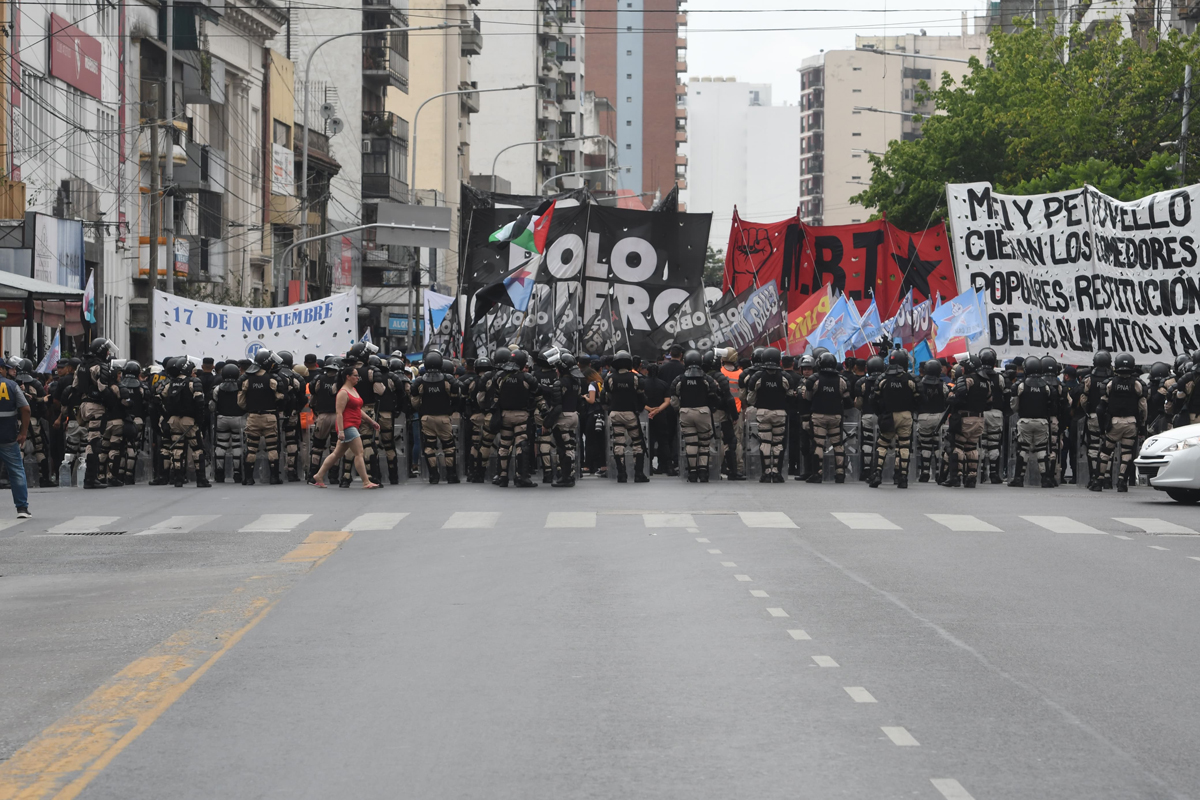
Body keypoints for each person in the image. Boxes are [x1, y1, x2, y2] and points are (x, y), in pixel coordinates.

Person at [310, 366, 381, 489]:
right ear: (348, 377)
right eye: (355, 375)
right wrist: (341, 431)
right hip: (348, 426)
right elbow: (339, 413)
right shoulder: (343, 392)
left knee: (337, 454)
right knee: (359, 452)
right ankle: (366, 481)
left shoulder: (353, 390)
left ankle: (319, 475)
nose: (358, 378)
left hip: (353, 424)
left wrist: (371, 421)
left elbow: (358, 410)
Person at [1092, 353, 1147, 493]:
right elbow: (1143, 407)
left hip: (1114, 423)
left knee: (1105, 452)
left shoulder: (1110, 384)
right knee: (1127, 453)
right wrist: (1142, 425)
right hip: (1131, 423)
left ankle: (1099, 481)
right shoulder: (1137, 384)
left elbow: (1101, 406)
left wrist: (1102, 426)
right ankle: (1122, 481)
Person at [744, 347, 798, 483]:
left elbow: (750, 399)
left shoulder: (757, 377)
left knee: (765, 442)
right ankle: (776, 472)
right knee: (778, 443)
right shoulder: (786, 377)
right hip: (780, 413)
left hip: (763, 412)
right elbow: (791, 396)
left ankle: (766, 472)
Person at [409, 350, 461, 484]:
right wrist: (452, 408)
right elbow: (455, 396)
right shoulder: (447, 380)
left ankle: (433, 475)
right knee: (449, 447)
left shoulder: (420, 381)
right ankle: (451, 475)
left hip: (426, 418)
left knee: (429, 447)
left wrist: (421, 409)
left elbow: (414, 402)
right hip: (443, 417)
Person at [870, 350, 919, 489]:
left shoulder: (883, 379)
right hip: (905, 415)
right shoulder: (910, 379)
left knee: (882, 444)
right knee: (904, 445)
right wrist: (911, 410)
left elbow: (874, 398)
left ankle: (877, 474)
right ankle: (903, 477)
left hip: (888, 415)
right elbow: (920, 397)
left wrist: (880, 413)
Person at [804, 352, 852, 483]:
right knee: (838, 444)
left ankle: (817, 473)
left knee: (818, 444)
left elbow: (808, 398)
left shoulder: (814, 379)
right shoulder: (842, 380)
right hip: (836, 416)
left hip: (818, 415)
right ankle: (840, 473)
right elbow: (848, 401)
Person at [603, 350, 650, 483]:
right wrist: (640, 408)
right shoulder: (635, 378)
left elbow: (606, 397)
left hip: (615, 413)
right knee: (637, 442)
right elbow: (642, 397)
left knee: (618, 442)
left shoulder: (610, 378)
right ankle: (638, 474)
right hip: (630, 413)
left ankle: (621, 474)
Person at [238, 350, 284, 485]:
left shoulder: (246, 379)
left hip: (253, 417)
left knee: (251, 447)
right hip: (269, 416)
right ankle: (274, 477)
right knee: (272, 447)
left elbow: (241, 402)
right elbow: (280, 398)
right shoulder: (272, 379)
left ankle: (248, 478)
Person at [946, 355, 991, 488]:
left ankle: (956, 476)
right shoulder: (985, 382)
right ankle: (972, 476)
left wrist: (950, 397)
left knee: (958, 446)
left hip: (965, 418)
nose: (962, 369)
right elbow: (989, 403)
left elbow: (959, 396)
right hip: (979, 419)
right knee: (972, 447)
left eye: (964, 367)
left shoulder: (967, 379)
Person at [0, 369, 32, 518]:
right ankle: (22, 509)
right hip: (8, 436)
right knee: (16, 471)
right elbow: (25, 409)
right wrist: (23, 432)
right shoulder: (12, 386)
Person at [915, 359, 948, 483]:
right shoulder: (942, 385)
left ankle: (925, 471)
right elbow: (947, 398)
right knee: (939, 445)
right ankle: (939, 471)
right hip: (939, 417)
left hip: (923, 417)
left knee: (926, 445)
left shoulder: (919, 385)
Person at [212, 363, 245, 484]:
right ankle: (237, 473)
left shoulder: (218, 388)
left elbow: (213, 403)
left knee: (221, 445)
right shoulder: (241, 387)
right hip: (238, 418)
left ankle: (219, 474)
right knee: (237, 445)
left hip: (222, 418)